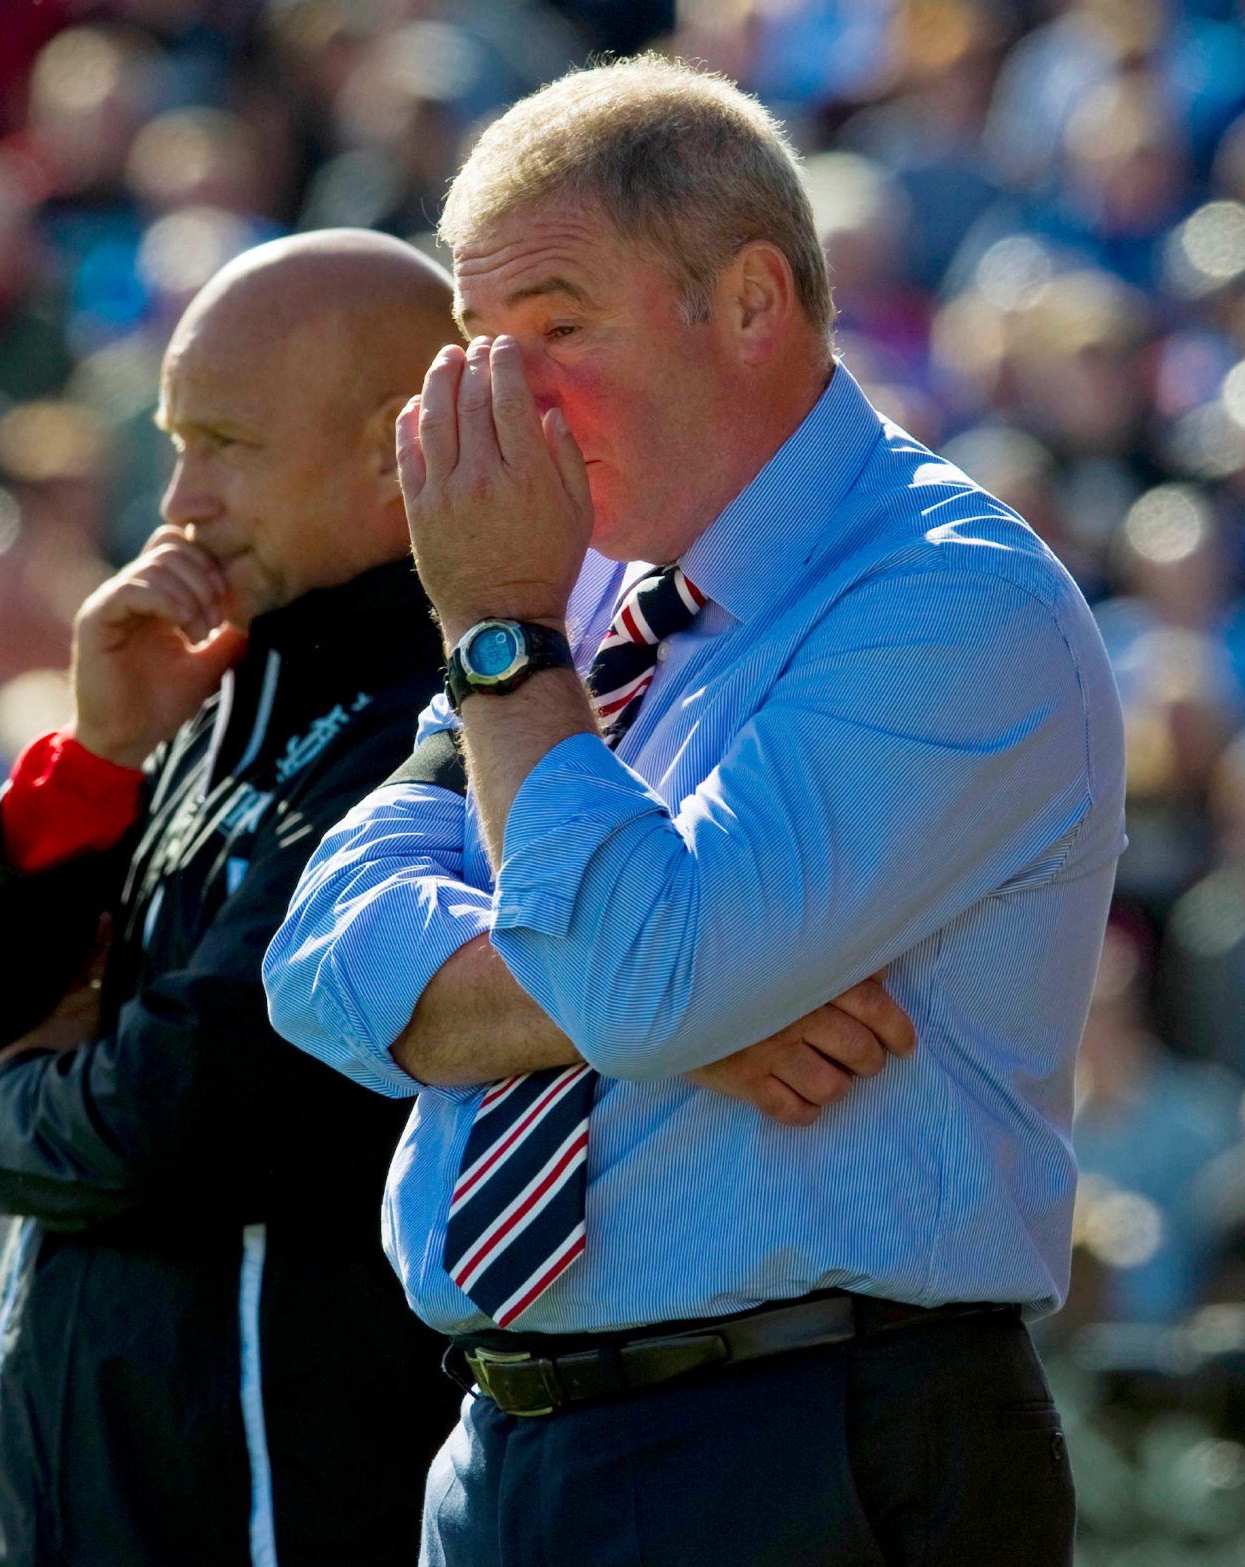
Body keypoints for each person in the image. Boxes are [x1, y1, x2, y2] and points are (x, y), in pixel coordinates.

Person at [264, 56, 1127, 1566]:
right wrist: (645, 1010)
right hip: (508, 1449)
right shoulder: (573, 577)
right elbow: (319, 963)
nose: (504, 395)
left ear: (749, 304)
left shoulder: (950, 600)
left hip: (812, 1442)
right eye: (479, 339)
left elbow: (639, 974)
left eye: (558, 327)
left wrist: (503, 651)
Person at [0, 230, 470, 1566]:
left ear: (394, 448)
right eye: (173, 443)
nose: (180, 500)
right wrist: (96, 756)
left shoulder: (442, 721)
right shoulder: (210, 691)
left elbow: (182, 1116)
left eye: (225, 445)